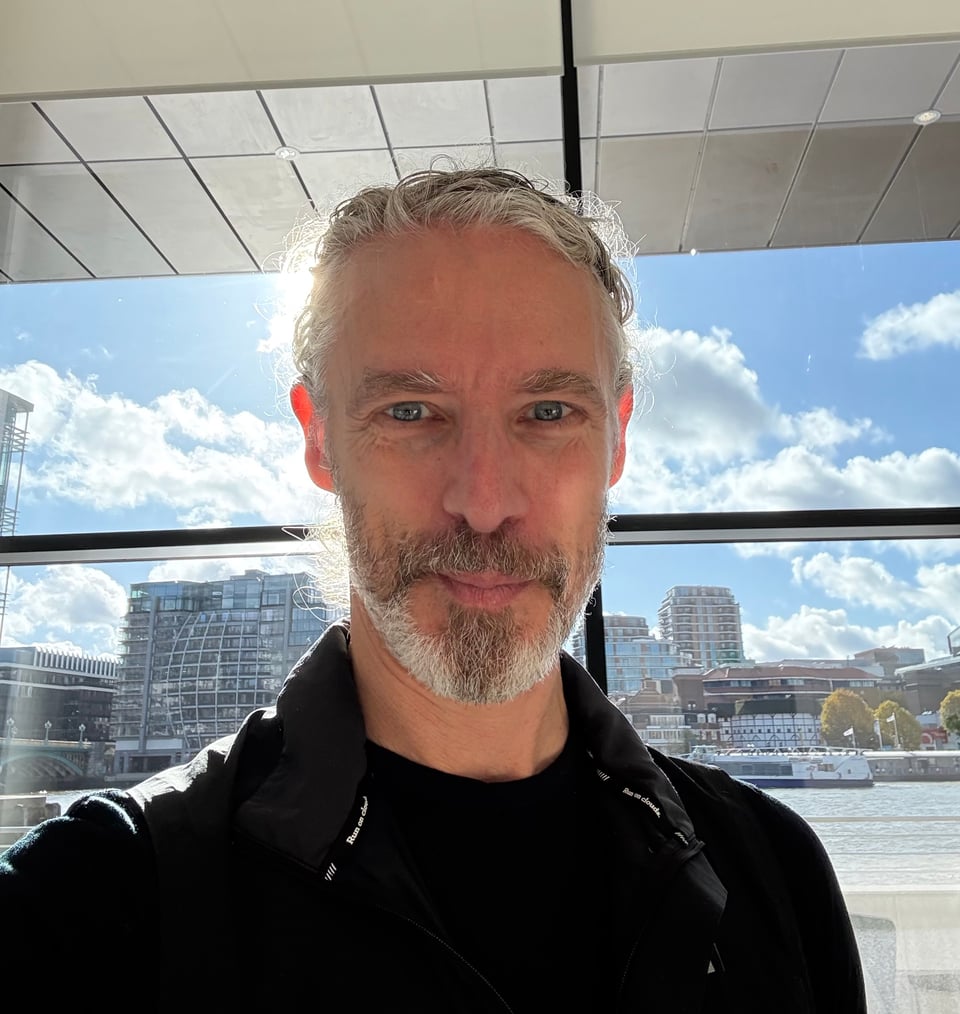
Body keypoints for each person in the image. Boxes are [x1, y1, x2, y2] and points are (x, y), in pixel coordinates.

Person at [1, 168, 865, 1013]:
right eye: (410, 412)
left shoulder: (774, 873)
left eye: (549, 413)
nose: (484, 504)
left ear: (618, 438)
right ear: (320, 439)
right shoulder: (90, 904)